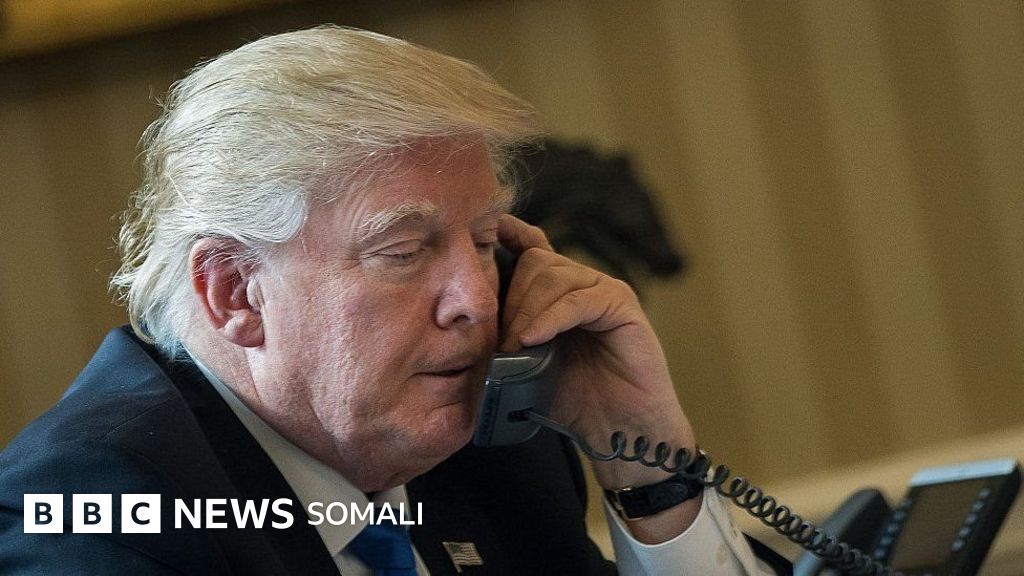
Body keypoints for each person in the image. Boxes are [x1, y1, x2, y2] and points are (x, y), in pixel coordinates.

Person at [0, 26, 789, 575]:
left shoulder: (488, 451)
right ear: (236, 292)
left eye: (485, 240)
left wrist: (647, 469)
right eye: (404, 252)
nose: (476, 300)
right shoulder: (96, 511)